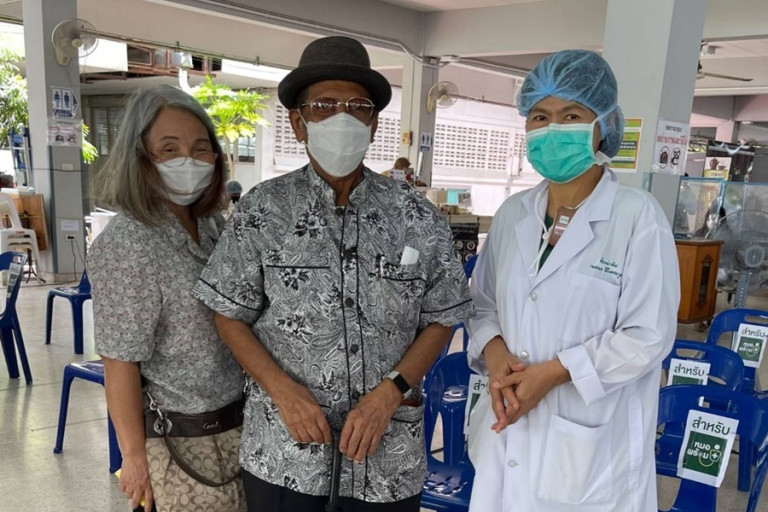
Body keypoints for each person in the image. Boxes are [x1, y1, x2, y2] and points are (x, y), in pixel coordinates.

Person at [192, 36, 474, 512]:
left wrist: (392, 391)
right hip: (285, 451)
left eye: (357, 107)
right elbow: (229, 314)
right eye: (323, 105)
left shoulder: (416, 216)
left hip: (387, 457)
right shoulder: (263, 210)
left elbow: (442, 316)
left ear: (373, 123)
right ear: (297, 122)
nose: (341, 118)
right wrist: (283, 392)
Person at [467, 50, 680, 512]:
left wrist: (555, 372)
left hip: (592, 446)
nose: (552, 129)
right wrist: (495, 352)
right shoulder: (513, 214)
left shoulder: (637, 217)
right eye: (540, 116)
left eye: (571, 116)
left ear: (604, 124)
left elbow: (648, 336)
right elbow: (482, 303)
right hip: (507, 428)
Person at [89, 85, 246, 512]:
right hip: (178, 439)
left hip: (238, 425)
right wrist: (134, 458)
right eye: (169, 149)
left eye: (200, 148)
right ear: (140, 157)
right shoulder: (129, 242)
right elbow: (120, 360)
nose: (188, 161)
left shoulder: (212, 225)